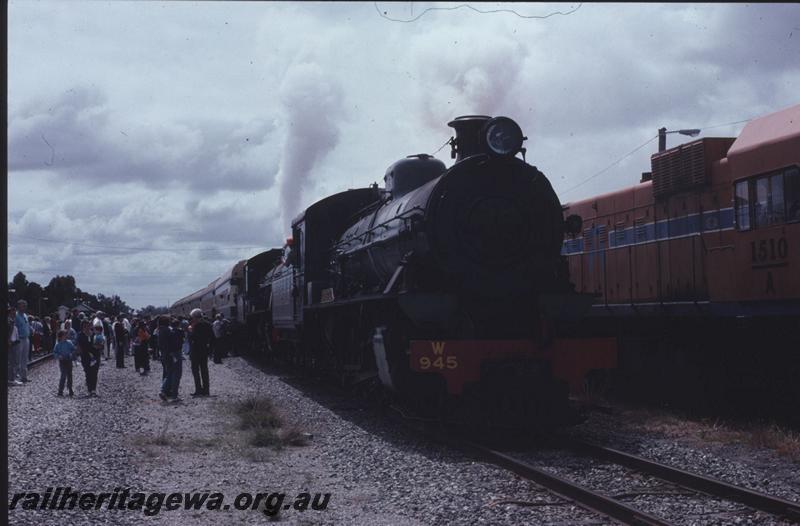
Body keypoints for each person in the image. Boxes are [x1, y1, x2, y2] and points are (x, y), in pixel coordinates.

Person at [189, 308, 214, 397]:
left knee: (195, 370)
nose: (192, 319)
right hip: (204, 350)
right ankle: (206, 390)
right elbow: (212, 337)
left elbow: (192, 338)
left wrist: (190, 331)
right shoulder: (208, 324)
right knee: (204, 370)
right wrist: (210, 350)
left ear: (195, 317)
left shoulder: (194, 326)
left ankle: (198, 389)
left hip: (195, 350)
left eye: (193, 317)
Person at [157, 316, 181, 402]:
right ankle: (172, 394)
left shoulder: (160, 330)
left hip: (164, 354)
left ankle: (164, 391)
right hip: (171, 354)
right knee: (176, 373)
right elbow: (173, 342)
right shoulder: (168, 330)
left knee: (169, 373)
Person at [77, 321, 101, 396]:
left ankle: (93, 389)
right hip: (85, 356)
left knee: (95, 372)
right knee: (88, 372)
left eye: (88, 326)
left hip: (95, 356)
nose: (87, 327)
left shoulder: (94, 334)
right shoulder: (80, 335)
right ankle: (89, 389)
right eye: (85, 326)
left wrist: (98, 346)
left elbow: (99, 344)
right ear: (82, 327)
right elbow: (79, 346)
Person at [52, 329, 76, 397]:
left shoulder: (69, 343)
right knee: (63, 375)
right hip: (62, 361)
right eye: (64, 335)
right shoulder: (57, 345)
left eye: (66, 335)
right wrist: (58, 356)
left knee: (70, 375)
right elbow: (54, 352)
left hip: (69, 360)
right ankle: (60, 390)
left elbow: (73, 349)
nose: (65, 336)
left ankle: (70, 389)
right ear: (60, 337)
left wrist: (71, 354)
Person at [13, 300, 31, 384]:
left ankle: (24, 376)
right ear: (18, 306)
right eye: (22, 306)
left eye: (25, 305)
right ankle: (15, 377)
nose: (24, 307)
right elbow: (14, 328)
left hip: (26, 338)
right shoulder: (16, 316)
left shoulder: (25, 315)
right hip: (19, 339)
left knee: (24, 358)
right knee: (17, 359)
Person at [8, 305, 22, 386]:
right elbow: (9, 332)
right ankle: (11, 379)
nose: (14, 314)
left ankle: (12, 378)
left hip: (14, 342)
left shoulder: (12, 320)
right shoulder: (9, 321)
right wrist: (9, 340)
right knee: (11, 362)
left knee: (13, 362)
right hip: (11, 343)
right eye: (13, 312)